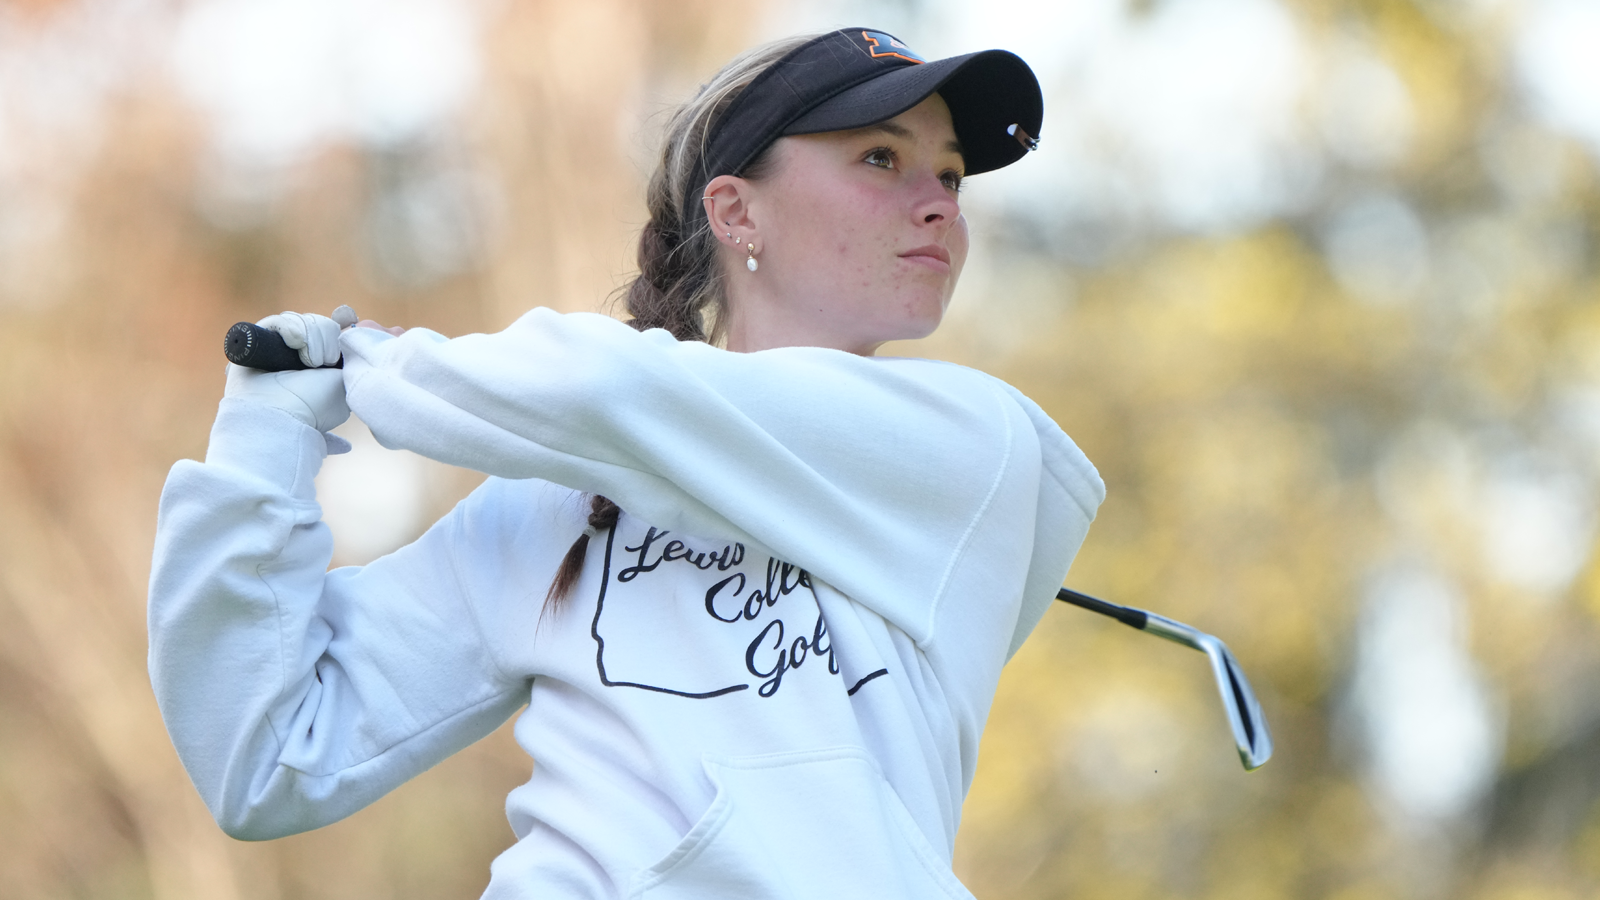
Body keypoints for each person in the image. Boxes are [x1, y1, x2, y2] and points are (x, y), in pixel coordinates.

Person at [149, 27, 1104, 899]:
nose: (938, 203)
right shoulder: (561, 503)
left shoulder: (971, 448)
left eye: (952, 177)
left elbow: (616, 395)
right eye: (883, 157)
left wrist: (374, 365)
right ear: (735, 212)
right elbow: (266, 757)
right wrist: (261, 445)